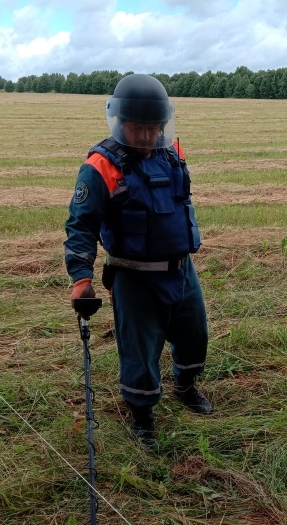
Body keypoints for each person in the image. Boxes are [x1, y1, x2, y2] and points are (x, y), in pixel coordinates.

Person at [64, 73, 212, 451]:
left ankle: (186, 385)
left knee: (195, 336)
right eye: (138, 128)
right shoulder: (100, 167)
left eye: (154, 128)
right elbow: (81, 225)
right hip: (134, 278)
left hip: (181, 270)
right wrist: (81, 278)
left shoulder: (172, 154)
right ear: (120, 122)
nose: (147, 137)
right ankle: (143, 416)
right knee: (140, 352)